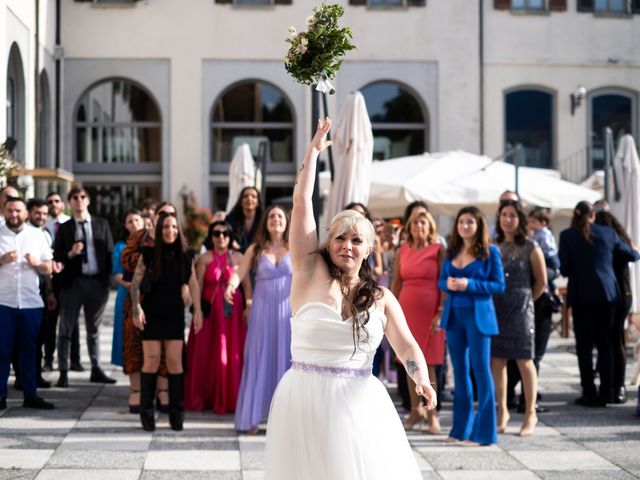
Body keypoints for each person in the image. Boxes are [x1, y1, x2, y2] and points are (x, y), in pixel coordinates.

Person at [264, 118, 437, 480]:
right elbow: (301, 201)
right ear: (329, 241)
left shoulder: (382, 297)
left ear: (369, 249)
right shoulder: (308, 269)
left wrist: (421, 378)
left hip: (359, 402)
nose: (347, 245)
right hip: (304, 400)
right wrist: (311, 156)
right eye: (340, 237)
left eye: (357, 240)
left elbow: (406, 345)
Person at [559, 201, 640, 407]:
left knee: (584, 346)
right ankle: (606, 391)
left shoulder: (567, 235)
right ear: (593, 215)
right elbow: (631, 255)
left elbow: (565, 269)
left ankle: (588, 391)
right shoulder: (608, 233)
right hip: (607, 295)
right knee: (605, 343)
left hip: (581, 295)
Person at [438, 206, 505, 446]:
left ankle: (485, 434)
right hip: (454, 317)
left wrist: (470, 284)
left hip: (479, 317)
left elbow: (499, 286)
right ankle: (460, 430)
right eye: (461, 222)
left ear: (479, 226)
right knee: (459, 374)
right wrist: (449, 284)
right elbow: (441, 280)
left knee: (481, 371)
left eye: (470, 222)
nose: (464, 226)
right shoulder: (450, 251)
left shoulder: (491, 252)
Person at [131, 211, 203, 431]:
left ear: (178, 230)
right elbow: (135, 284)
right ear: (159, 230)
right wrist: (136, 309)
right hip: (151, 314)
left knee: (175, 364)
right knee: (151, 362)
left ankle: (176, 414)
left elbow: (193, 285)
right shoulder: (148, 254)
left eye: (173, 227)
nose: (170, 231)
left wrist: (197, 310)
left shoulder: (186, 255)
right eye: (165, 227)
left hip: (174, 314)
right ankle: (147, 414)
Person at [225, 205, 293, 434]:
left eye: (280, 216)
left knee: (287, 361)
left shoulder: (295, 247)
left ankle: (286, 421)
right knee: (258, 358)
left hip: (288, 313)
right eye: (272, 216)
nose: (275, 219)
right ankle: (252, 417)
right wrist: (231, 286)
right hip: (262, 312)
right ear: (266, 222)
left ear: (287, 221)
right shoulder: (256, 249)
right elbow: (239, 272)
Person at [491, 200, 547, 437]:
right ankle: (501, 410)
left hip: (523, 309)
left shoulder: (532, 246)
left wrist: (527, 302)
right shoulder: (494, 245)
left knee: (525, 360)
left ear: (520, 219)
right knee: (498, 360)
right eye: (504, 215)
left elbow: (542, 282)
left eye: (512, 215)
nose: (507, 219)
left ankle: (529, 413)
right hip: (497, 307)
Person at [53, 186, 115, 388]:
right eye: (74, 198)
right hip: (74, 283)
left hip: (97, 283)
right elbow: (58, 255)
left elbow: (109, 252)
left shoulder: (101, 224)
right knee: (66, 328)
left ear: (88, 200)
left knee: (93, 329)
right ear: (69, 203)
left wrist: (107, 282)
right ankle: (63, 372)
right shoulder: (65, 227)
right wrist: (71, 252)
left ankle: (96, 368)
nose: (78, 200)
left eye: (82, 197)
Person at [391, 208, 444, 434]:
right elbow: (396, 282)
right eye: (415, 223)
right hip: (407, 311)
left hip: (431, 313)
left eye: (423, 223)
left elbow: (443, 282)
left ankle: (432, 413)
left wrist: (440, 312)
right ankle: (415, 409)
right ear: (409, 227)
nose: (419, 227)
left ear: (430, 226)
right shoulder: (402, 251)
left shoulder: (439, 250)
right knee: (408, 362)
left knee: (429, 364)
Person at [184, 221, 246, 414]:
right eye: (217, 233)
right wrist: (197, 311)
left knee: (231, 352)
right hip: (210, 312)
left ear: (230, 236)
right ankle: (205, 396)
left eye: (225, 233)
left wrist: (249, 306)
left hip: (232, 313)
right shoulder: (203, 258)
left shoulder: (239, 257)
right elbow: (198, 285)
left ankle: (230, 398)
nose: (221, 237)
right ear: (211, 237)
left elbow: (248, 284)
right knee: (207, 352)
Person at [121, 202, 176, 413]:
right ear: (155, 215)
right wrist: (151, 256)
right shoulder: (141, 236)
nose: (166, 218)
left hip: (166, 301)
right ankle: (137, 390)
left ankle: (162, 390)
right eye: (163, 213)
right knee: (134, 345)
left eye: (171, 215)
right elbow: (125, 260)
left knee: (164, 346)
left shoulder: (177, 238)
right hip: (139, 299)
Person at [0, 197, 54, 410]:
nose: (14, 215)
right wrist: (2, 260)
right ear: (4, 212)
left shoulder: (37, 235)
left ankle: (30, 394)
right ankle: (1, 395)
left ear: (26, 213)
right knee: (2, 351)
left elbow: (49, 268)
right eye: (10, 210)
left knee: (29, 350)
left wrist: (37, 264)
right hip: (3, 301)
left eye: (18, 211)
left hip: (31, 303)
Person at [594, 210, 637, 404]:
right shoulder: (615, 240)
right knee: (610, 340)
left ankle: (617, 384)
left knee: (615, 339)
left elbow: (633, 255)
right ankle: (611, 383)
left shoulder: (614, 242)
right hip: (616, 295)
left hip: (619, 295)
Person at [43, 191, 81, 373]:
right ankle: (48, 360)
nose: (53, 204)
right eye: (49, 201)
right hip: (50, 279)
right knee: (51, 320)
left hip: (69, 277)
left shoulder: (71, 224)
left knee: (72, 322)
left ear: (63, 204)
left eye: (56, 201)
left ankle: (75, 359)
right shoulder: (43, 224)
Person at [111, 209, 143, 369]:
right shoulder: (120, 246)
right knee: (125, 332)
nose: (134, 224)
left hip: (147, 294)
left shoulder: (150, 243)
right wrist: (133, 287)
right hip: (126, 292)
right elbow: (117, 275)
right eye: (130, 221)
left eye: (137, 220)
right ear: (125, 225)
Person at [225, 186, 263, 253]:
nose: (249, 199)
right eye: (245, 196)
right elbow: (226, 236)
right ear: (240, 201)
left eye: (253, 196)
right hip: (235, 255)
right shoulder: (230, 219)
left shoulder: (264, 220)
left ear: (258, 202)